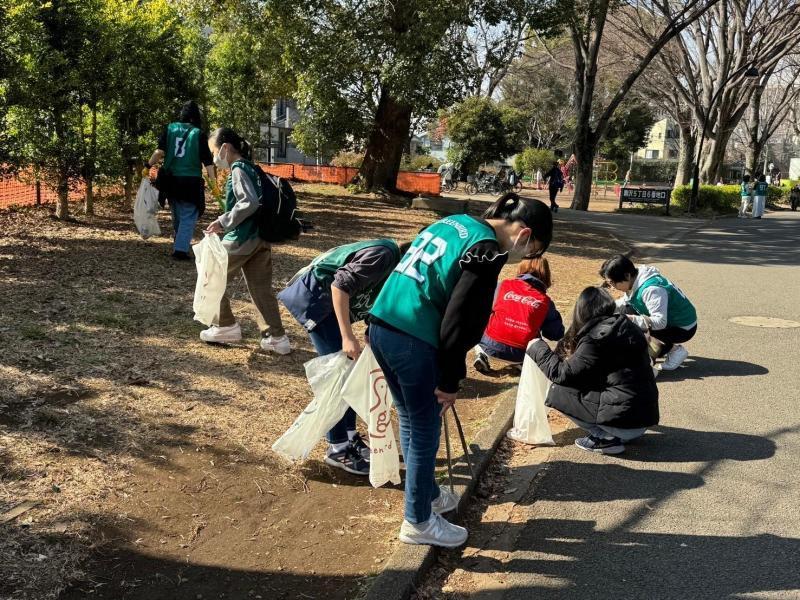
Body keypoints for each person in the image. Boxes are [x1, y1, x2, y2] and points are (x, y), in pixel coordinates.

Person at [368, 193, 553, 548]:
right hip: (412, 335)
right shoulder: (487, 249)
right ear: (524, 234)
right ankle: (418, 520)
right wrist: (450, 379)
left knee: (410, 416)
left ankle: (428, 495)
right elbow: (460, 320)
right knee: (424, 427)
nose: (523, 257)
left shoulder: (456, 223)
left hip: (383, 324)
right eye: (531, 250)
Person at [277, 239, 407, 475]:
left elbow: (379, 297)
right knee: (337, 375)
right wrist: (347, 336)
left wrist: (370, 329)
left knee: (348, 371)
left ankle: (350, 435)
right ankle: (337, 448)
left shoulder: (396, 267)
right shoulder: (384, 255)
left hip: (327, 300)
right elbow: (340, 287)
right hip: (316, 300)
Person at [528, 286, 659, 455]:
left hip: (624, 423)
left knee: (558, 389)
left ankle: (605, 438)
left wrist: (536, 346)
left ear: (582, 310)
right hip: (642, 419)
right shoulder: (626, 327)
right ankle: (617, 433)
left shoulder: (595, 338)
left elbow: (561, 374)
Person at [200, 127, 290, 354]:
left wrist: (222, 222)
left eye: (213, 152)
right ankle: (277, 338)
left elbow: (248, 202)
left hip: (243, 237)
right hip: (261, 238)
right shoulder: (252, 168)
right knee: (261, 288)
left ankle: (225, 325)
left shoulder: (238, 169)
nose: (213, 158)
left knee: (211, 273)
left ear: (225, 148)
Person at [600, 254, 697, 372]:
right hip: (669, 321)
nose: (613, 287)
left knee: (636, 338)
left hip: (682, 328)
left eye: (613, 283)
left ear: (627, 275)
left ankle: (672, 351)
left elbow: (660, 322)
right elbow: (627, 301)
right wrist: (605, 309)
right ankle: (670, 348)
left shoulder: (652, 289)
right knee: (626, 312)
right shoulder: (636, 277)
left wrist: (631, 320)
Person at [145, 101, 216, 261]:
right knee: (189, 215)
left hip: (170, 179)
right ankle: (180, 250)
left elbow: (159, 152)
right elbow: (208, 162)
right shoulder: (198, 133)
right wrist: (214, 183)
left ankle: (179, 244)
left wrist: (147, 165)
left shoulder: (170, 129)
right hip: (190, 180)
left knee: (177, 212)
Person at [473, 256, 564, 373]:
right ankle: (521, 364)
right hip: (521, 353)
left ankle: (481, 354)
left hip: (488, 345)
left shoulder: (503, 285)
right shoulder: (545, 301)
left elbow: (481, 309)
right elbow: (555, 334)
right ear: (546, 274)